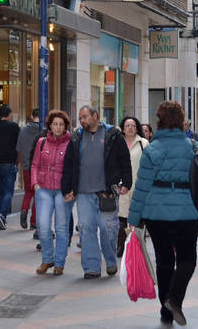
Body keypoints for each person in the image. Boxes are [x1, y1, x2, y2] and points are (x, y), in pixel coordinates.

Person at [128, 101, 198, 326]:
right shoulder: (195, 147)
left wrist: (133, 218)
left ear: (159, 121)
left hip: (155, 213)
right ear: (181, 121)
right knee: (187, 259)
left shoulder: (152, 150)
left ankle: (166, 312)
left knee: (164, 261)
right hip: (186, 211)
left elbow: (142, 186)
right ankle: (174, 300)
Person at [61, 105, 131, 279]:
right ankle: (91, 267)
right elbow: (68, 164)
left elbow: (124, 160)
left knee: (108, 228)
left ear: (95, 116)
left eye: (84, 117)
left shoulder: (113, 135)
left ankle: (110, 261)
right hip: (84, 192)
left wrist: (126, 182)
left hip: (106, 192)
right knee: (86, 229)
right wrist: (67, 188)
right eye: (80, 117)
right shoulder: (76, 137)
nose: (81, 120)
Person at [31, 110, 76, 275]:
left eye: (61, 124)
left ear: (65, 126)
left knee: (62, 227)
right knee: (42, 225)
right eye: (55, 124)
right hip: (43, 188)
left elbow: (75, 168)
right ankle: (47, 259)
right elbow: (35, 164)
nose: (58, 127)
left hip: (63, 190)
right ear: (50, 125)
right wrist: (35, 183)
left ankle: (59, 263)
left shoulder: (71, 143)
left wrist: (73, 189)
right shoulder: (41, 142)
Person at [117, 116, 149, 258]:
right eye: (127, 125)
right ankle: (122, 246)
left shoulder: (144, 143)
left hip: (139, 186)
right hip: (122, 187)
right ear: (123, 128)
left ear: (137, 128)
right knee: (122, 217)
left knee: (139, 219)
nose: (130, 128)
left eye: (133, 125)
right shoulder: (117, 142)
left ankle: (139, 245)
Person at [0, 104, 20, 230]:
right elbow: (17, 144)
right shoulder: (14, 127)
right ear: (9, 114)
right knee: (8, 191)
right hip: (9, 162)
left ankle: (1, 214)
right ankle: (2, 215)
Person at [16, 108, 41, 229]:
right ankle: (34, 221)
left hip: (26, 167)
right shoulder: (43, 130)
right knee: (38, 195)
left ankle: (24, 210)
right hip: (39, 169)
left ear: (32, 116)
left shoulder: (23, 130)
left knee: (28, 192)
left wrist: (19, 164)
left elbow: (19, 150)